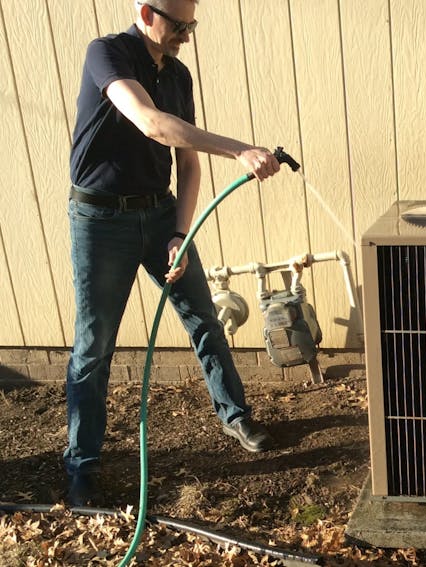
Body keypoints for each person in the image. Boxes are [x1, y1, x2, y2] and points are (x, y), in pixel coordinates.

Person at [65, 0, 279, 506]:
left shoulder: (179, 76)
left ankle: (235, 416)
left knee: (203, 317)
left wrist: (180, 231)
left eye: (192, 24)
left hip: (161, 214)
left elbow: (186, 164)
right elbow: (150, 124)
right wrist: (238, 149)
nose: (186, 33)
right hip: (101, 221)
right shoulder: (106, 55)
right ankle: (81, 465)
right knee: (93, 347)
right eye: (178, 24)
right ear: (145, 12)